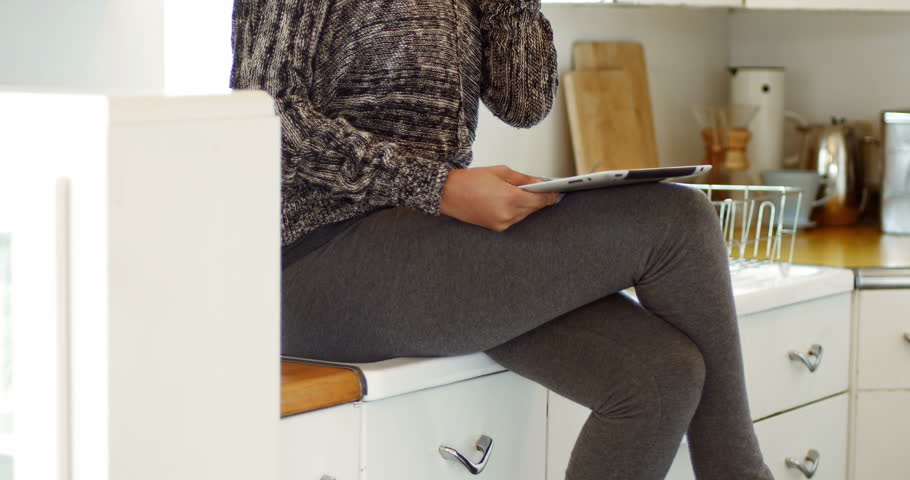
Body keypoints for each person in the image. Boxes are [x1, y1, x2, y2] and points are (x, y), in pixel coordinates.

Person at [229, 1, 775, 479]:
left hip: (427, 244)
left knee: (659, 377)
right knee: (677, 218)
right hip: (317, 259)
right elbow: (265, 116)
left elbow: (525, 101)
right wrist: (439, 186)